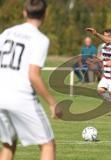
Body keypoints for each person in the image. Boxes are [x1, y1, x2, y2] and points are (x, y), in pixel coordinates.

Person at [0, 0, 60, 160]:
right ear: (45, 15)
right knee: (47, 144)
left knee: (8, 143)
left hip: (0, 95)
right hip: (20, 97)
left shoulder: (7, 33)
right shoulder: (40, 39)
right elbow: (33, 75)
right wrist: (52, 103)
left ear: (24, 12)